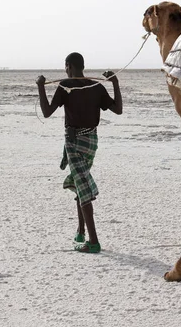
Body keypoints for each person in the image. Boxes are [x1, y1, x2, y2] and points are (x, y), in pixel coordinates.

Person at [36, 52, 122, 253]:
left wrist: (40, 87)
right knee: (78, 181)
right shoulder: (97, 86)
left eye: (65, 67)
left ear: (68, 66)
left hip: (74, 142)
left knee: (82, 187)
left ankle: (93, 242)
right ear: (82, 66)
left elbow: (47, 112)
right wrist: (115, 84)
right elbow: (118, 109)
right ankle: (80, 230)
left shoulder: (65, 86)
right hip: (92, 141)